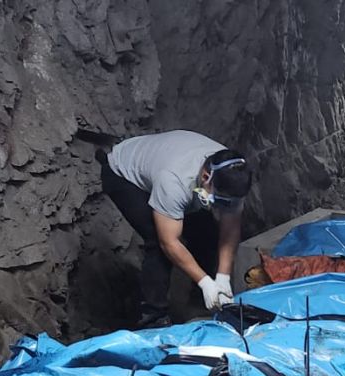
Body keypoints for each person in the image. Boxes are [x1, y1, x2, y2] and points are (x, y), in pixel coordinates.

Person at [98, 129, 252, 328]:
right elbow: (169, 242)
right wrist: (205, 282)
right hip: (124, 175)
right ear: (206, 177)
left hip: (175, 173)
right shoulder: (173, 180)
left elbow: (229, 231)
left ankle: (202, 305)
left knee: (207, 233)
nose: (224, 206)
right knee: (157, 242)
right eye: (220, 201)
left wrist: (223, 277)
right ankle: (153, 319)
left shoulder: (233, 176)